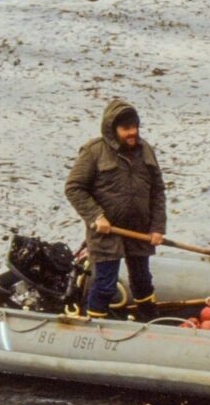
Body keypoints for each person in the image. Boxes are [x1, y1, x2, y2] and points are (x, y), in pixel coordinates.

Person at [65, 99, 166, 321]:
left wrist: (157, 227)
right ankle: (93, 325)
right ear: (112, 129)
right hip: (106, 233)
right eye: (125, 129)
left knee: (142, 281)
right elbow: (74, 188)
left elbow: (158, 191)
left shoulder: (146, 150)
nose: (132, 133)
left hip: (139, 231)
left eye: (134, 127)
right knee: (105, 284)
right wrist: (96, 216)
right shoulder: (94, 152)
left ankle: (149, 321)